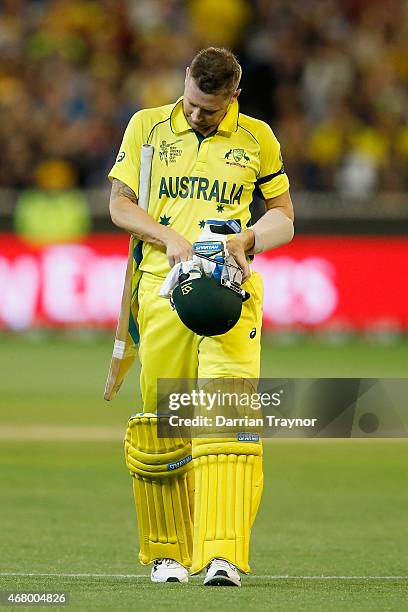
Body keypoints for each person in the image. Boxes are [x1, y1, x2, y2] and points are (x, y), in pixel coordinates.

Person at [108, 47, 294, 586]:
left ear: (234, 96)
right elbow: (121, 205)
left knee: (226, 419)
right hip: (162, 288)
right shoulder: (147, 126)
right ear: (184, 80)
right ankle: (170, 552)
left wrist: (250, 237)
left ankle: (222, 556)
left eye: (209, 111)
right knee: (166, 422)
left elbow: (284, 217)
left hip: (229, 289)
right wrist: (166, 236)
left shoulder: (258, 138)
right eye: (191, 102)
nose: (195, 115)